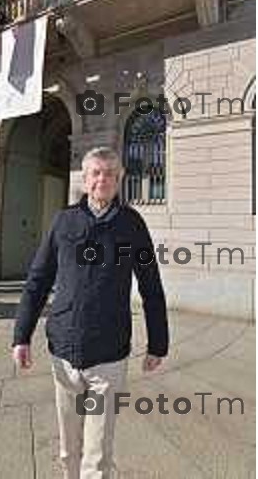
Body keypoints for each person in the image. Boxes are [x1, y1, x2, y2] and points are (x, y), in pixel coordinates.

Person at [12, 147, 169, 479]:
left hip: (107, 357)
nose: (103, 179)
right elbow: (38, 280)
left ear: (120, 179)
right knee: (69, 448)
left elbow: (151, 287)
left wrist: (158, 344)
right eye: (96, 172)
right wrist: (21, 336)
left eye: (111, 173)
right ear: (85, 179)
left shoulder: (132, 225)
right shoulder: (63, 221)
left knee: (97, 455)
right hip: (64, 354)